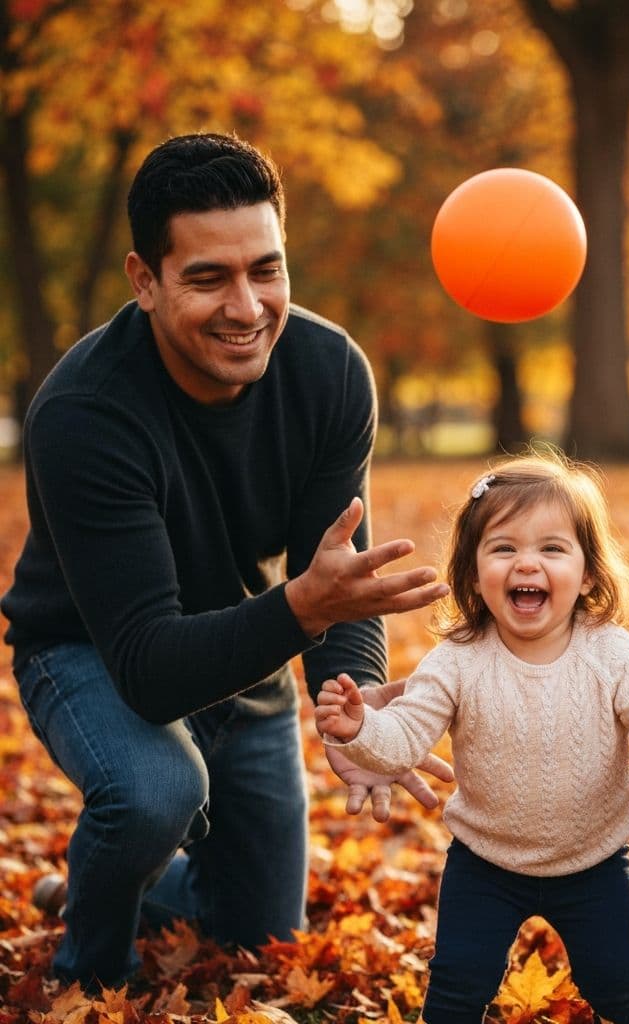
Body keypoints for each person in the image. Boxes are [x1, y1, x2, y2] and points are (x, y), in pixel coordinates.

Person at [0, 132, 452, 991]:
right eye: (208, 278)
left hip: (242, 653)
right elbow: (149, 668)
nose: (247, 306)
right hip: (90, 651)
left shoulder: (329, 372)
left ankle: (104, 879)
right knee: (156, 790)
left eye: (266, 270)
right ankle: (87, 969)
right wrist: (303, 610)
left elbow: (335, 570)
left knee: (258, 929)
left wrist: (349, 702)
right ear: (145, 281)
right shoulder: (84, 412)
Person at [315, 451, 629, 1024]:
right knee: (455, 989)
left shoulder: (612, 653)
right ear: (473, 572)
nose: (528, 563)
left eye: (551, 548)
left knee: (619, 987)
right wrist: (361, 728)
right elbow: (404, 738)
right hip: (484, 863)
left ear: (588, 571)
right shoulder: (457, 660)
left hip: (594, 862)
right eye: (504, 548)